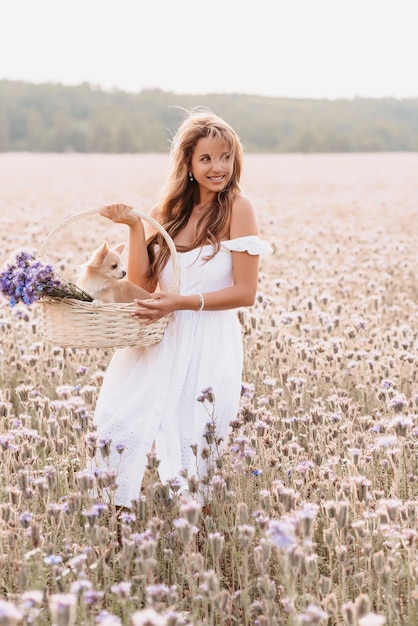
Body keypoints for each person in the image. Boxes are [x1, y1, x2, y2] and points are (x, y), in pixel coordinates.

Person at [93, 108, 271, 507]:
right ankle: (115, 526)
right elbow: (141, 286)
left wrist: (183, 302)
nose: (218, 167)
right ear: (188, 163)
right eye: (206, 158)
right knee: (118, 425)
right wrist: (135, 228)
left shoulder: (238, 208)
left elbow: (246, 292)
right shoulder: (165, 213)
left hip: (208, 342)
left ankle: (189, 541)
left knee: (191, 441)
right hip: (156, 340)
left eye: (226, 157)